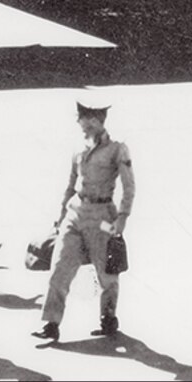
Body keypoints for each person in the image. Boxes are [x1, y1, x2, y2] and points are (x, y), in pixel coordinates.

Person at [34, 96, 134, 343]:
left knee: (106, 273)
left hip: (102, 216)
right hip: (75, 213)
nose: (85, 125)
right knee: (59, 269)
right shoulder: (77, 149)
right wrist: (60, 218)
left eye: (91, 120)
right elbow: (70, 185)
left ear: (101, 120)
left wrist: (122, 217)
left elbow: (129, 186)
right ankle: (51, 324)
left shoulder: (117, 149)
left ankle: (108, 318)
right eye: (82, 120)